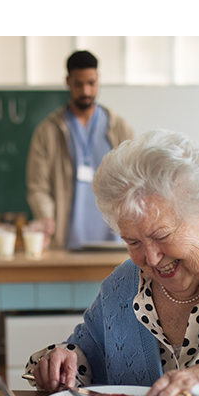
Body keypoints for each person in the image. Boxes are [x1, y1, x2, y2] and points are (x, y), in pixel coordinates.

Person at [24, 129, 199, 396]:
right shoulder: (123, 285)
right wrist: (66, 362)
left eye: (161, 235)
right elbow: (87, 353)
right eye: (133, 242)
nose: (150, 259)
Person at [26, 50, 134, 249]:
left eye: (91, 83)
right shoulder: (48, 132)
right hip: (67, 243)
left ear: (98, 80)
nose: (86, 91)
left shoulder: (119, 128)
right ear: (67, 81)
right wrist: (46, 216)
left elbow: (136, 182)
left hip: (115, 242)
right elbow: (38, 187)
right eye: (78, 84)